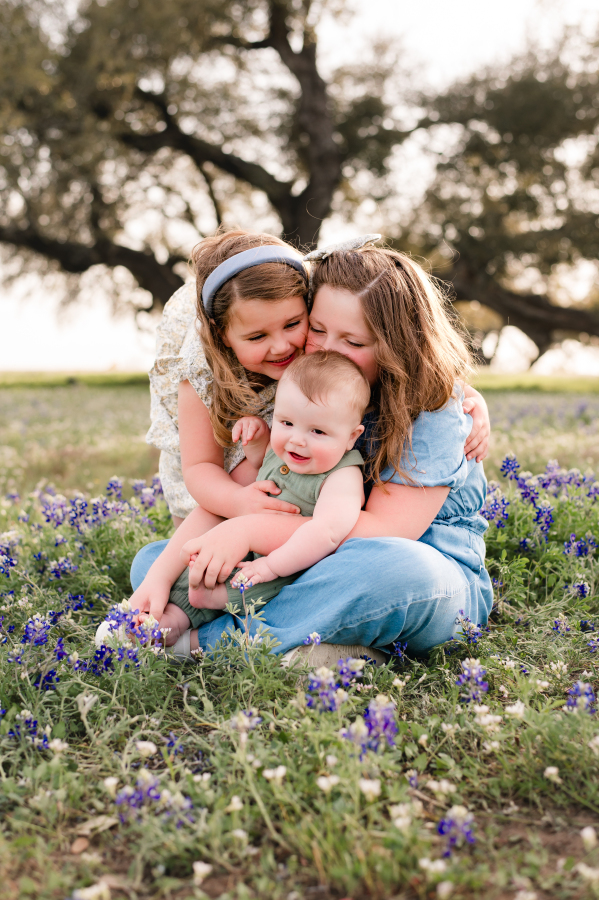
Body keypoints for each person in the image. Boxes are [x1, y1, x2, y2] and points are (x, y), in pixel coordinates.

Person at [130, 229, 492, 662]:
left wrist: (245, 529)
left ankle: (202, 645)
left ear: (399, 345)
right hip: (300, 563)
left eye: (353, 342)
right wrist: (225, 536)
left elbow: (380, 532)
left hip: (419, 572)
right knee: (157, 560)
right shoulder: (304, 389)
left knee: (396, 571)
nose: (327, 350)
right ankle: (337, 645)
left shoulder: (433, 407)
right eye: (317, 329)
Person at [145, 350, 369, 648]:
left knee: (275, 586)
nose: (296, 439)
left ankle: (208, 619)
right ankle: (164, 623)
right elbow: (260, 466)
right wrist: (259, 437)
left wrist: (273, 566)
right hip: (239, 550)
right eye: (286, 423)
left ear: (352, 436)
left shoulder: (344, 475)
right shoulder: (283, 451)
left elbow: (326, 533)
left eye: (317, 431)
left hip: (289, 559)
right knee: (181, 567)